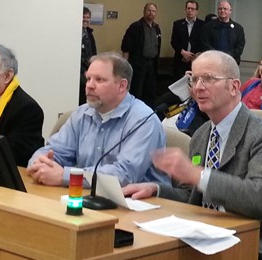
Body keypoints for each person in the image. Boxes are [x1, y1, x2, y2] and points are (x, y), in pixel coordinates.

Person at [122, 50, 262, 260]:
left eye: (208, 78)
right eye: (194, 79)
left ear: (234, 87)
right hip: (206, 237)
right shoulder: (201, 135)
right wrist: (155, 189)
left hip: (258, 248)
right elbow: (192, 196)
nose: (198, 87)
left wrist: (198, 175)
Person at [27, 52, 170, 188]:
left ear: (121, 86)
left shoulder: (143, 120)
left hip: (143, 205)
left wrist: (65, 176)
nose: (89, 85)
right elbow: (55, 150)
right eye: (88, 78)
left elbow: (124, 175)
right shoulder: (82, 113)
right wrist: (39, 163)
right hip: (91, 196)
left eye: (99, 80)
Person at [120, 3, 161, 108]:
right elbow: (126, 47)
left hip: (152, 64)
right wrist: (125, 67)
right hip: (138, 64)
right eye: (149, 10)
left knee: (151, 92)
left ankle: (148, 113)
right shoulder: (135, 27)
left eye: (153, 11)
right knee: (137, 91)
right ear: (144, 12)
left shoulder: (156, 28)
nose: (151, 13)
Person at [171, 0, 204, 80]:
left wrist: (193, 56)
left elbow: (203, 43)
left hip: (196, 61)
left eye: (192, 9)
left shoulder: (203, 25)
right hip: (180, 60)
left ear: (196, 11)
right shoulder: (177, 24)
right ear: (185, 9)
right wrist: (183, 52)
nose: (190, 11)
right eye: (188, 8)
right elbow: (173, 41)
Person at [80, 7, 98, 105]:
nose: (86, 20)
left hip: (90, 67)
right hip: (80, 70)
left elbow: (94, 53)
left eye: (88, 17)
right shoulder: (75, 33)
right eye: (84, 17)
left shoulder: (89, 34)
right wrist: (83, 71)